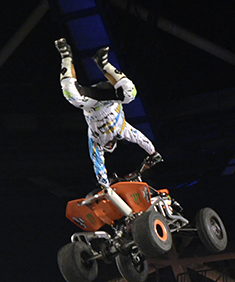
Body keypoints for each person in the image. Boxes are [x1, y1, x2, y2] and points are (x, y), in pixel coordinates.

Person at [55, 38, 162, 191]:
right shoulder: (122, 130)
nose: (109, 146)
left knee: (71, 94)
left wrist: (105, 185)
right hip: (111, 97)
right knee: (130, 93)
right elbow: (140, 138)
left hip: (93, 103)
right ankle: (104, 63)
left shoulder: (95, 141)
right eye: (111, 146)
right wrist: (153, 152)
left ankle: (66, 56)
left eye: (107, 147)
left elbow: (98, 163)